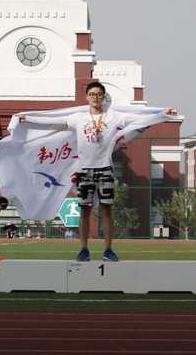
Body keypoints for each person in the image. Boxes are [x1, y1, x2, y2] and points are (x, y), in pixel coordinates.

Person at [20, 82, 175, 262]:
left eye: (99, 94)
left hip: (105, 169)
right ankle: (84, 249)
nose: (95, 98)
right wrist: (29, 119)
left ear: (103, 97)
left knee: (107, 210)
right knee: (84, 210)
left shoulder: (113, 117)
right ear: (87, 97)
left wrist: (162, 114)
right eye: (92, 94)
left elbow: (138, 118)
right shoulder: (78, 118)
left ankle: (108, 250)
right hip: (84, 171)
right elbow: (54, 122)